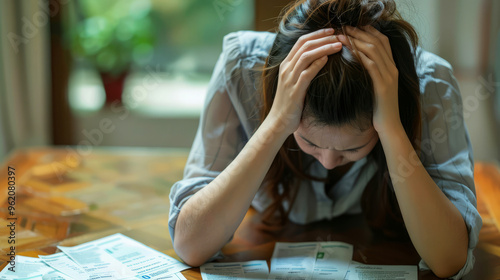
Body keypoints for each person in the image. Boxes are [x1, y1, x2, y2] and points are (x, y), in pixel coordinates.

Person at [168, 0, 482, 278]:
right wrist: (276, 123)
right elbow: (191, 246)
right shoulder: (241, 66)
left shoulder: (432, 84)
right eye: (310, 141)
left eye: (354, 147)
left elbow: (448, 260)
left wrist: (391, 128)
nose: (329, 161)